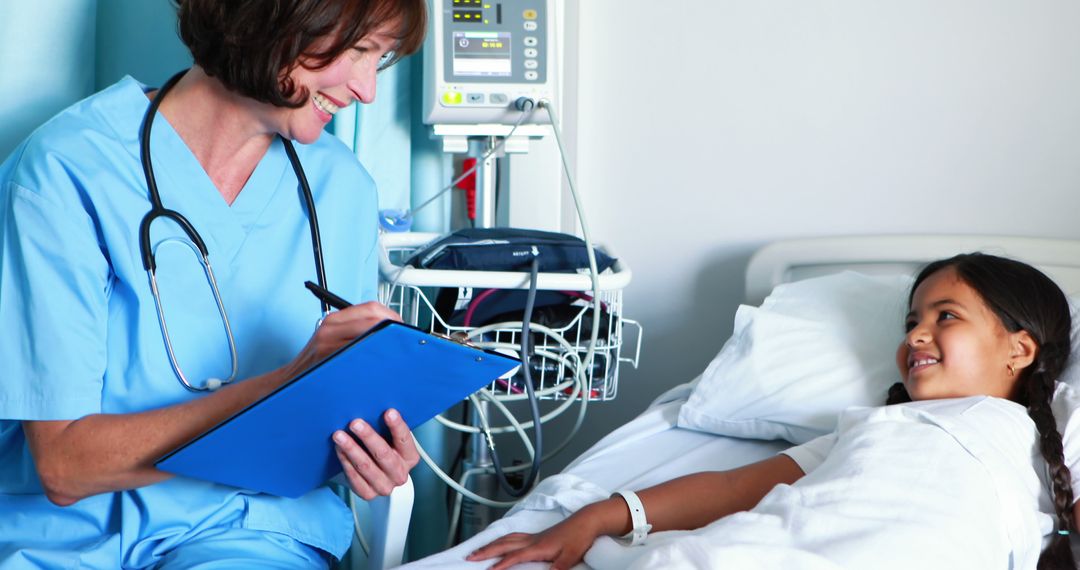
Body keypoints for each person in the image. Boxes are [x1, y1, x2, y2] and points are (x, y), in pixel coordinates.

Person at [0, 0, 426, 567]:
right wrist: (283, 387)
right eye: (358, 51)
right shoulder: (67, 172)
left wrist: (370, 448)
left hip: (250, 531)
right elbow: (64, 466)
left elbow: (327, 423)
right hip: (67, 538)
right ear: (275, 18)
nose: (367, 90)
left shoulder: (341, 189)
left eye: (382, 58)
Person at [468, 253, 1079, 570]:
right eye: (911, 321)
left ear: (1019, 348)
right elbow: (733, 488)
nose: (917, 335)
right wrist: (598, 517)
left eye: (945, 316)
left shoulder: (1048, 439)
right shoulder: (876, 428)